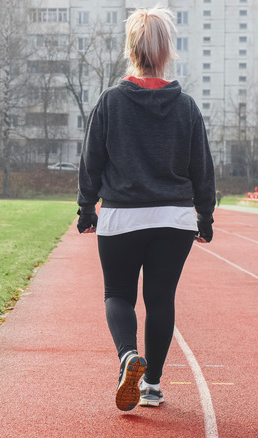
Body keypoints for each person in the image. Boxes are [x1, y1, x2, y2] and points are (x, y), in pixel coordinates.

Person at [76, 6, 215, 412]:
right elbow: (201, 167)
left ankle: (126, 357)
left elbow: (91, 162)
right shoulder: (186, 106)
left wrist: (87, 209)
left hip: (123, 216)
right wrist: (205, 217)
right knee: (160, 300)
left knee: (117, 294)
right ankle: (151, 384)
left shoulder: (110, 102)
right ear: (166, 50)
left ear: (130, 49)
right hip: (174, 219)